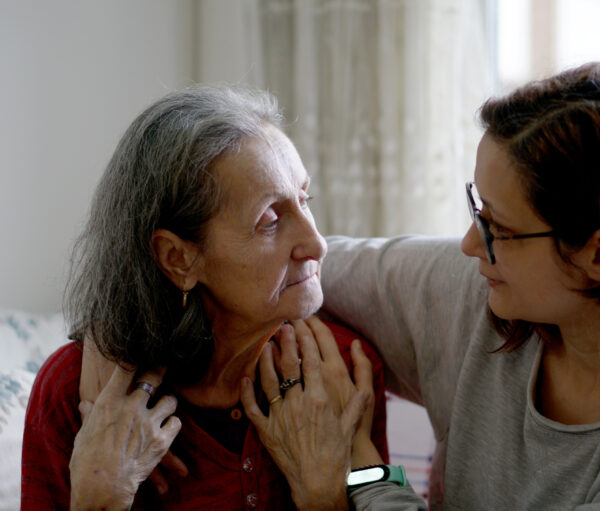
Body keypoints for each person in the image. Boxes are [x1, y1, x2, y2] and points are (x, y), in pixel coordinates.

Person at [244, 62, 600, 510]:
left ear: (595, 254)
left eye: (500, 229)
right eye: (477, 209)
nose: (470, 244)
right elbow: (302, 266)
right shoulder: (479, 290)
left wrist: (354, 454)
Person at [20, 85, 389, 510]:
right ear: (178, 258)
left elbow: (380, 490)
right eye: (270, 219)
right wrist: (98, 502)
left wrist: (328, 500)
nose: (317, 244)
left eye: (305, 200)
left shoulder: (344, 371)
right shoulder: (73, 396)